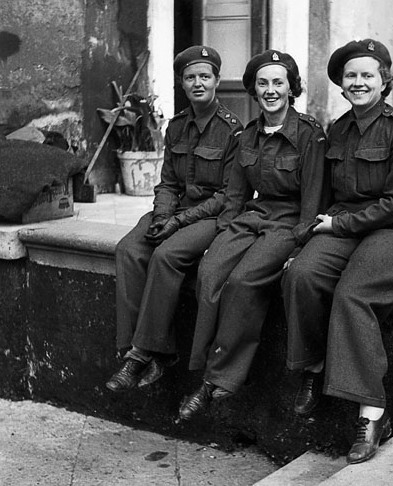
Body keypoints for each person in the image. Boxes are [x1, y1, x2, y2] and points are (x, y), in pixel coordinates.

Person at [282, 39, 393, 464]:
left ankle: (372, 413)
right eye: (351, 75)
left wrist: (339, 225)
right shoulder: (337, 130)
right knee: (302, 274)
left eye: (368, 75)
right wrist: (309, 237)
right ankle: (314, 367)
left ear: (384, 81)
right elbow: (330, 193)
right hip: (349, 224)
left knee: (354, 292)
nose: (358, 82)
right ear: (341, 83)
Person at [177, 50, 329, 421]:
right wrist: (222, 236)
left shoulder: (309, 134)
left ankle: (218, 381)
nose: (270, 90)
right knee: (210, 271)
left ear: (291, 88)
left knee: (243, 280)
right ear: (253, 89)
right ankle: (204, 365)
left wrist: (301, 244)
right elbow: (235, 196)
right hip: (253, 216)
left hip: (289, 222)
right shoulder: (246, 135)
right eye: (263, 83)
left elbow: (313, 198)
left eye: (278, 83)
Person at [106, 45, 243, 392]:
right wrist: (163, 215)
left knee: (167, 255)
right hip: (176, 209)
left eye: (205, 76)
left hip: (212, 215)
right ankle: (137, 350)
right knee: (129, 249)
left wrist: (177, 223)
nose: (198, 83)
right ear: (182, 83)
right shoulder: (177, 126)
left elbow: (228, 196)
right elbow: (168, 182)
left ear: (216, 81)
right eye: (190, 77)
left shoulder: (233, 130)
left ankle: (142, 355)